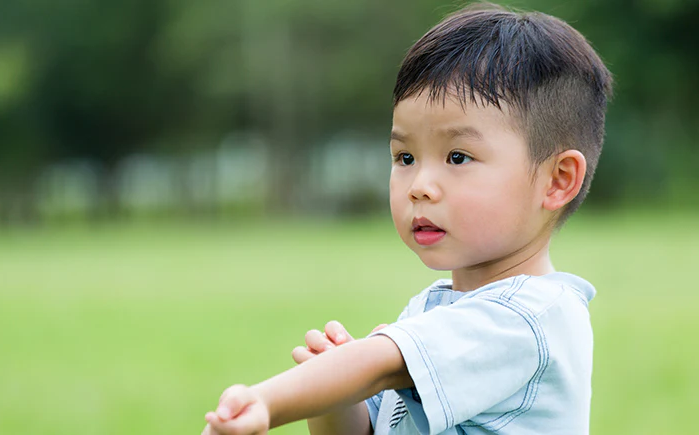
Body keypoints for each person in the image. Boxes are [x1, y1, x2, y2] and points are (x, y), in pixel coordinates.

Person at [202, 3, 612, 434]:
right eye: (405, 157)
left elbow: (379, 367)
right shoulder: (432, 307)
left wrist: (266, 401)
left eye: (458, 156)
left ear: (557, 180)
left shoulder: (530, 318)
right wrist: (335, 396)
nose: (420, 185)